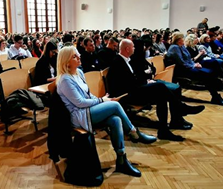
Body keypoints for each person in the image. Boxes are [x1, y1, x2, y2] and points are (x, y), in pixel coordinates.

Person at [56, 46, 156, 178]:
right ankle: (133, 132)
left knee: (116, 120)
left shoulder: (78, 73)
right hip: (79, 115)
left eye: (78, 54)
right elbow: (79, 102)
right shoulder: (65, 80)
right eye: (74, 56)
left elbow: (88, 94)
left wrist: (100, 100)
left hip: (88, 110)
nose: (79, 57)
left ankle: (121, 160)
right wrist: (102, 100)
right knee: (114, 105)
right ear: (66, 62)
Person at [107, 39, 205, 141]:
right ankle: (180, 108)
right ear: (127, 49)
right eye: (133, 47)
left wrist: (145, 81)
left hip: (132, 90)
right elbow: (124, 85)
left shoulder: (125, 60)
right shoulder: (117, 62)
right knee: (159, 87)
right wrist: (145, 82)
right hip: (126, 95)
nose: (134, 48)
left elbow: (132, 79)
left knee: (161, 96)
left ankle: (164, 131)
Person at [166, 33, 223, 106]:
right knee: (207, 74)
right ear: (178, 40)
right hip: (182, 70)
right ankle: (215, 96)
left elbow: (188, 59)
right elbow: (181, 62)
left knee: (210, 72)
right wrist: (193, 66)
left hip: (188, 67)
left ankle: (216, 94)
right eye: (182, 38)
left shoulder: (181, 46)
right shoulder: (174, 47)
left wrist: (195, 64)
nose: (184, 39)